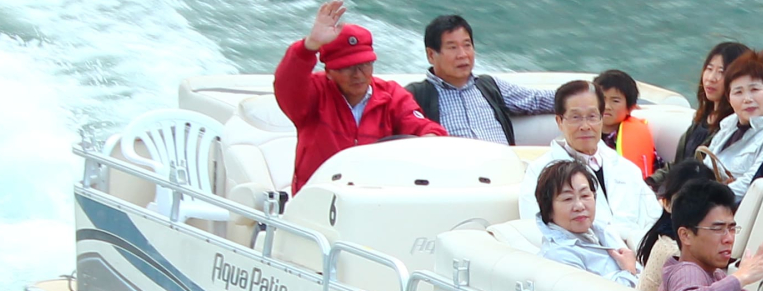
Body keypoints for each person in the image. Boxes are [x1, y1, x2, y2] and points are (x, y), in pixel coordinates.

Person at [273, 2, 445, 194]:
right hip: (318, 199)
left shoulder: (392, 96)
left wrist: (430, 138)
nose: (358, 74)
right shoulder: (313, 94)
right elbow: (287, 84)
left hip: (376, 199)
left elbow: (422, 127)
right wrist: (309, 46)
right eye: (347, 67)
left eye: (365, 64)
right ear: (328, 72)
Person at [521, 81, 660, 234]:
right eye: (575, 117)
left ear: (601, 118)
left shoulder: (627, 169)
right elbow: (535, 229)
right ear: (559, 122)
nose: (585, 126)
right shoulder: (539, 172)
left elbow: (653, 217)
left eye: (592, 116)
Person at [407, 15, 556, 145]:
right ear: (431, 55)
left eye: (467, 45)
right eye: (452, 47)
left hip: (503, 163)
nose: (463, 54)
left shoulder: (490, 86)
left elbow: (537, 99)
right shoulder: (415, 96)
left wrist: (570, 96)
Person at [530, 159, 639, 287]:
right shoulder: (558, 256)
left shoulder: (602, 230)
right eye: (568, 199)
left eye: (585, 195)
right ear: (548, 209)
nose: (579, 206)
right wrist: (629, 272)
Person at [707, 51, 763, 194]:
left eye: (754, 89)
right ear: (729, 98)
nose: (747, 99)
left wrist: (705, 197)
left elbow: (750, 185)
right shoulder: (728, 127)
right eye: (738, 92)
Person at [634, 159, 721, 291]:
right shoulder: (675, 251)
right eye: (685, 201)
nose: (697, 209)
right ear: (667, 204)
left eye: (706, 201)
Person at [673, 43, 751, 167]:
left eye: (721, 72)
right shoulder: (702, 118)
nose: (711, 78)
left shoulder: (733, 129)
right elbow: (675, 165)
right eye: (709, 69)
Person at [593, 70, 659, 178]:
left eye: (615, 101)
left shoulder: (635, 136)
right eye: (602, 99)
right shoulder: (584, 131)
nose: (607, 106)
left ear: (630, 108)